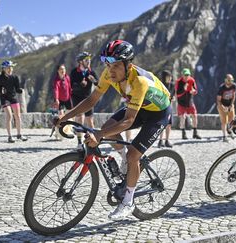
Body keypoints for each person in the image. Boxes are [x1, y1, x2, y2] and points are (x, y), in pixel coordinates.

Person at [56, 40, 172, 220]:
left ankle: (128, 202)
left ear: (128, 65)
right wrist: (64, 117)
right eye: (108, 64)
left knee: (133, 155)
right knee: (106, 128)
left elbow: (128, 121)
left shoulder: (139, 82)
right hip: (140, 107)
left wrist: (99, 135)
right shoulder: (108, 74)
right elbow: (91, 100)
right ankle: (126, 160)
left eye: (116, 65)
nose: (111, 70)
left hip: (158, 114)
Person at [70, 51, 98, 147]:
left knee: (90, 120)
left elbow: (98, 84)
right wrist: (79, 85)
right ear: (81, 62)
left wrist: (93, 80)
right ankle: (79, 142)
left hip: (87, 97)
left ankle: (94, 141)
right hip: (77, 97)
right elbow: (71, 85)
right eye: (86, 60)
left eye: (89, 60)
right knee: (80, 118)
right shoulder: (74, 72)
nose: (89, 62)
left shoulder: (91, 72)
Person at [0, 60, 28, 143]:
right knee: (9, 115)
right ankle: (10, 136)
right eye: (8, 68)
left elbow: (17, 88)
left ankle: (19, 134)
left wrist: (19, 90)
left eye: (11, 68)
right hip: (4, 98)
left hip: (13, 98)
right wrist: (1, 91)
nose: (10, 69)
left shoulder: (15, 77)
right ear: (3, 69)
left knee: (18, 116)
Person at [175, 68, 201, 140]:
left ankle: (195, 132)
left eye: (188, 75)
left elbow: (195, 90)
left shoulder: (192, 80)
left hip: (190, 102)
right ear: (182, 75)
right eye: (185, 75)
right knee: (182, 117)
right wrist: (184, 89)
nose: (187, 76)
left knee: (195, 116)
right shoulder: (178, 82)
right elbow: (177, 94)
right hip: (181, 103)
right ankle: (183, 133)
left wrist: (193, 91)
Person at [52, 64, 72, 140]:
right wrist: (56, 99)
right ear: (58, 71)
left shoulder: (67, 77)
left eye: (64, 69)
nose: (63, 70)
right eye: (61, 69)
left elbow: (69, 87)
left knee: (70, 115)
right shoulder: (56, 80)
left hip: (67, 99)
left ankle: (68, 130)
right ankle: (58, 132)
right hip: (59, 100)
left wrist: (71, 95)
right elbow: (56, 90)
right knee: (60, 116)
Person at [217, 74, 236, 142]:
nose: (230, 81)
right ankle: (224, 136)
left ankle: (229, 130)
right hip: (222, 105)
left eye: (232, 80)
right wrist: (223, 107)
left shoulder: (234, 86)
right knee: (224, 121)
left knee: (232, 119)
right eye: (229, 80)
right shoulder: (222, 88)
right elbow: (218, 100)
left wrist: (231, 105)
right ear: (225, 80)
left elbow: (234, 96)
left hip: (230, 104)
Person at [158, 70, 174, 148]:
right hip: (161, 107)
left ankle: (167, 140)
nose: (170, 78)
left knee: (169, 124)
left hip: (169, 106)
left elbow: (173, 95)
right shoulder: (160, 85)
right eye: (168, 77)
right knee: (162, 124)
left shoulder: (172, 85)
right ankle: (160, 140)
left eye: (171, 76)